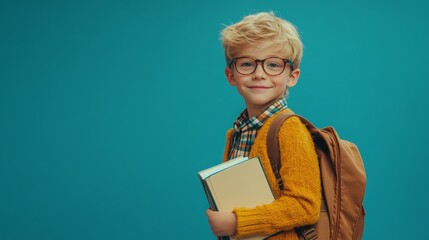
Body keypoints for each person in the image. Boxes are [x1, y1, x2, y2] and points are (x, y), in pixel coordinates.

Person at [206, 11, 321, 240]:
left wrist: (238, 222)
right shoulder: (237, 132)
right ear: (231, 75)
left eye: (273, 64)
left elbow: (306, 205)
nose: (259, 74)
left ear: (292, 76)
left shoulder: (290, 129)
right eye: (247, 63)